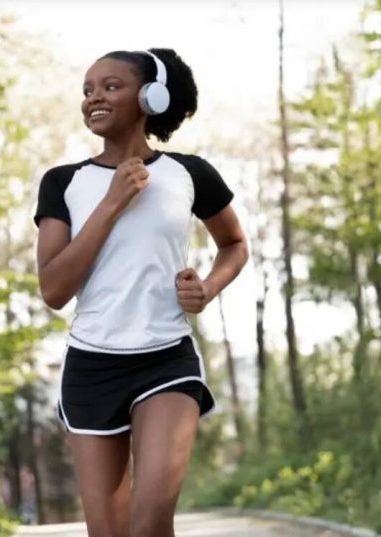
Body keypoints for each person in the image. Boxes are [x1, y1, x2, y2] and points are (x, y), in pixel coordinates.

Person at [33, 47, 248, 537]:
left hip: (166, 358)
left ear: (150, 97)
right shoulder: (63, 183)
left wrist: (207, 288)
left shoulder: (189, 173)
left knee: (150, 522)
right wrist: (112, 202)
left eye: (111, 86)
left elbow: (234, 244)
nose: (94, 98)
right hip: (91, 366)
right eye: (87, 90)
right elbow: (54, 289)